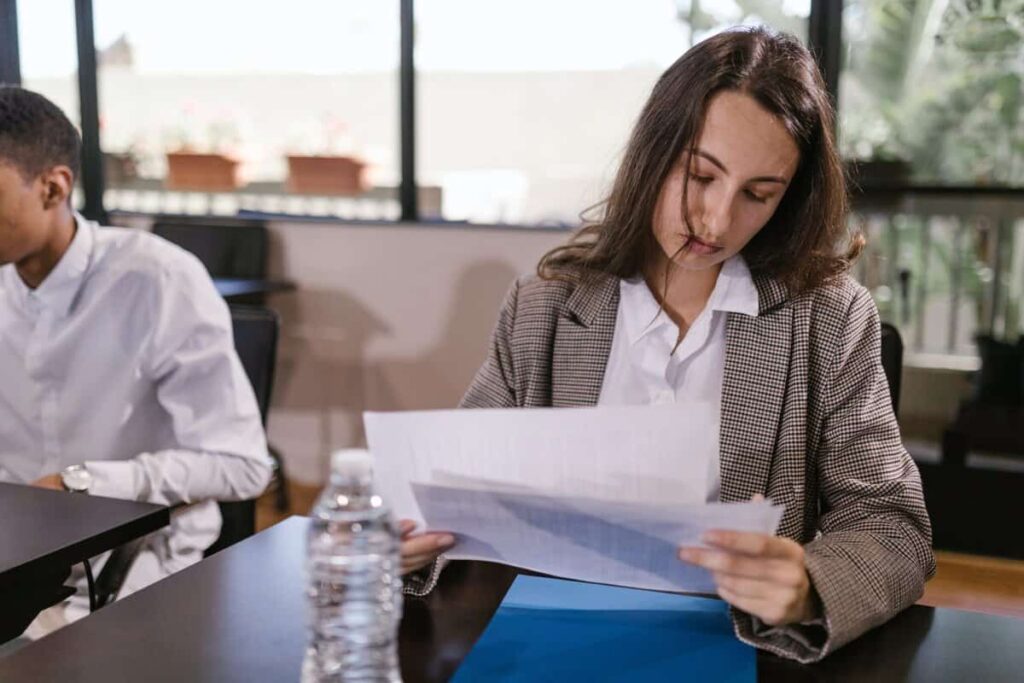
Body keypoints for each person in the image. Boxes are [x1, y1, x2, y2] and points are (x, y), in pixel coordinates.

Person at [396, 27, 934, 663]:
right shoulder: (542, 307)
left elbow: (894, 527)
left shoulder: (829, 319)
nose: (717, 220)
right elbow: (452, 488)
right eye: (701, 175)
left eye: (758, 195)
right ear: (654, 153)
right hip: (553, 644)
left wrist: (811, 586)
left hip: (730, 647)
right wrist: (404, 535)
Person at [0, 86, 272, 636]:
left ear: (54, 187)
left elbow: (243, 466)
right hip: (13, 560)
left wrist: (81, 483)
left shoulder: (158, 280)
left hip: (129, 565)